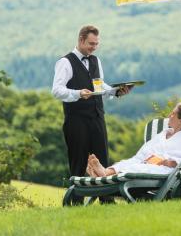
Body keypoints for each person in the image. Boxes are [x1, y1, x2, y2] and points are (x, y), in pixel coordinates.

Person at [52, 25, 131, 184]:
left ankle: (106, 200)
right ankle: (76, 202)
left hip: (97, 118)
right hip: (76, 120)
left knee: (102, 160)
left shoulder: (96, 60)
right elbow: (57, 90)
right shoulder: (65, 62)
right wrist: (77, 93)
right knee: (78, 163)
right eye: (91, 44)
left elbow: (100, 86)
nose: (94, 48)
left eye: (96, 44)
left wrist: (115, 92)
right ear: (81, 40)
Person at [87, 103, 181, 177]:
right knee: (129, 163)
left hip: (165, 171)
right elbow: (142, 155)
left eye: (173, 114)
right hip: (148, 163)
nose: (169, 116)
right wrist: (145, 159)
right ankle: (104, 173)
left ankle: (102, 174)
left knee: (136, 168)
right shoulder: (162, 135)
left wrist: (168, 162)